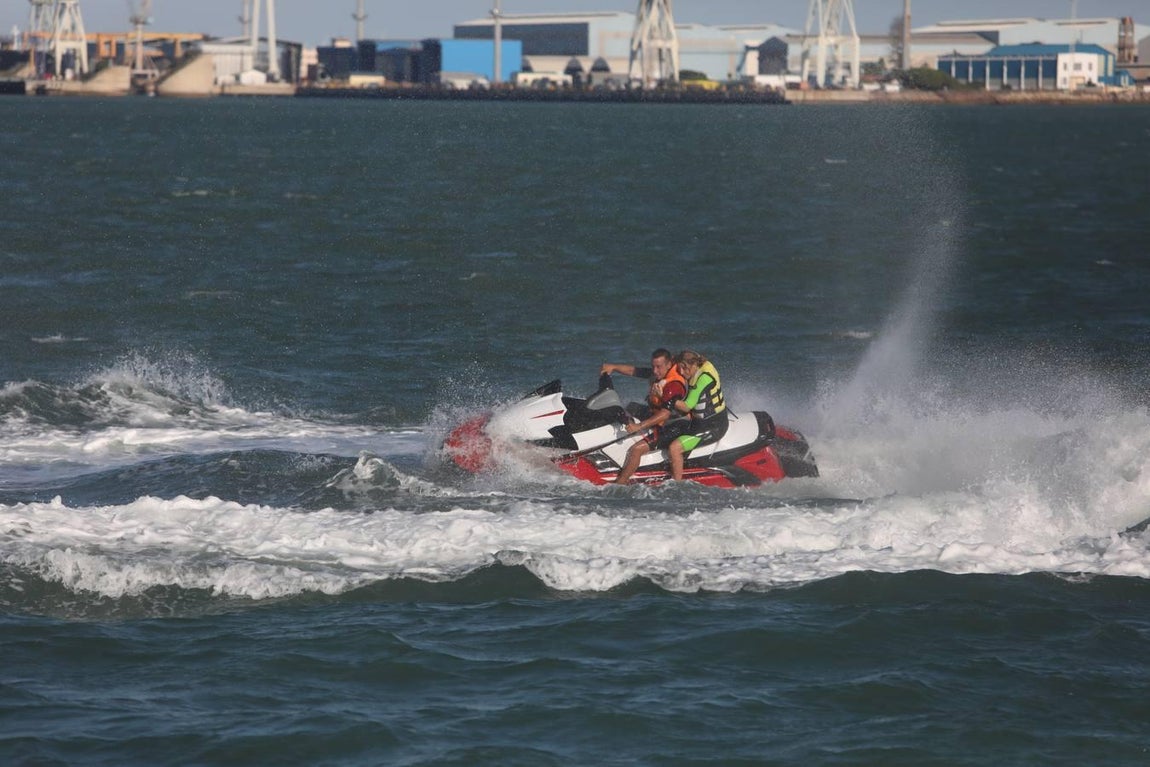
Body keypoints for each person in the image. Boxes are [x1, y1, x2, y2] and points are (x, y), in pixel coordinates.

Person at [601, 349, 688, 484]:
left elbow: (665, 414)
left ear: (669, 364)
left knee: (636, 449)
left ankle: (620, 483)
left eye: (658, 367)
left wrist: (638, 426)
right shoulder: (659, 374)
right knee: (629, 408)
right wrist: (614, 367)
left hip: (674, 425)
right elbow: (635, 371)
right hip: (658, 415)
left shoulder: (673, 385)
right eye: (653, 366)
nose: (654, 371)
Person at [665, 350, 729, 481]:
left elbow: (687, 406)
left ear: (690, 365)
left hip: (714, 426)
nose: (681, 373)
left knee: (674, 448)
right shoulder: (697, 366)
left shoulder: (704, 378)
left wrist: (666, 398)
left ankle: (676, 485)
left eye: (683, 369)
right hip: (698, 422)